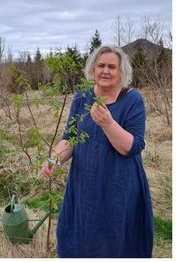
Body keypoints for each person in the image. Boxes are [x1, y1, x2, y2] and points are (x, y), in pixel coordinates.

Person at [42, 44, 154, 258]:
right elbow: (70, 138)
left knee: (118, 239)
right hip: (85, 183)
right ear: (93, 69)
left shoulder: (132, 100)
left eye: (112, 66)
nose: (105, 71)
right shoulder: (82, 98)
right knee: (83, 237)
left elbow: (132, 146)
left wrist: (108, 124)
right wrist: (53, 160)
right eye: (101, 65)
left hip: (120, 184)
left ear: (121, 72)